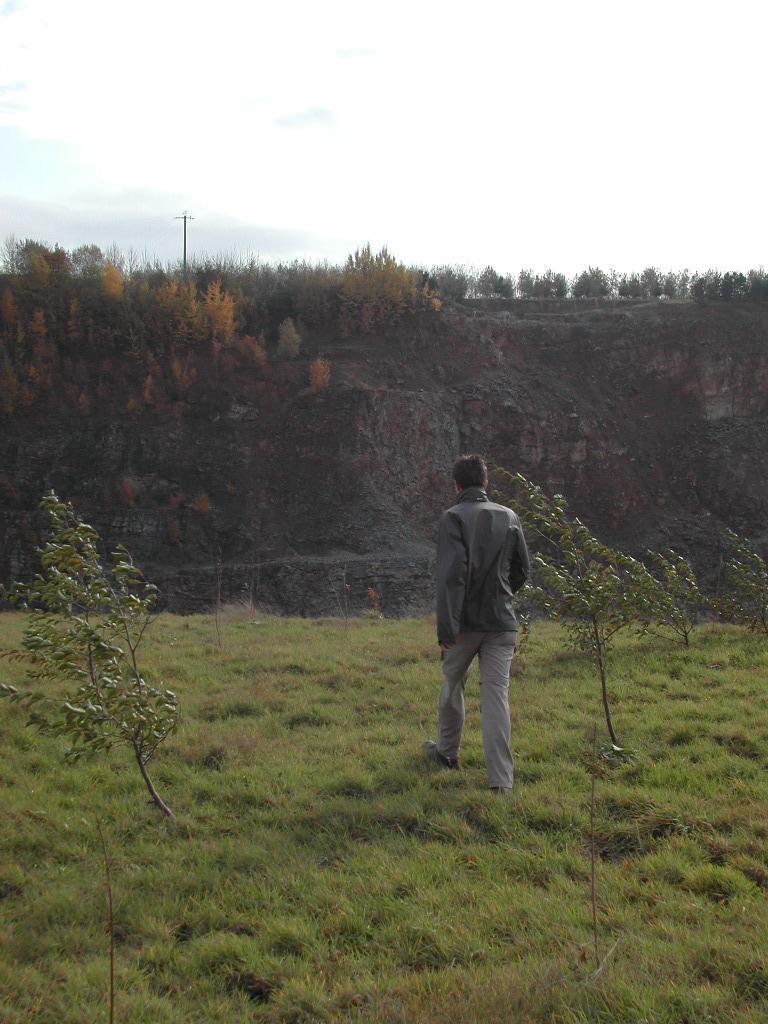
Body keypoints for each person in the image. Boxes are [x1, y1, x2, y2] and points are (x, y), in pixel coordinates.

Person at [424, 454, 530, 794]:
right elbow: (522, 570)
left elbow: (451, 577)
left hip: (465, 625)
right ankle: (501, 783)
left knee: (452, 687)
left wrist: (447, 628)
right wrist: (501, 596)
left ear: (456, 486)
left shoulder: (452, 518)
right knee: (496, 697)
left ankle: (447, 755)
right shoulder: (509, 516)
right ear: (485, 483)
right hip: (502, 622)